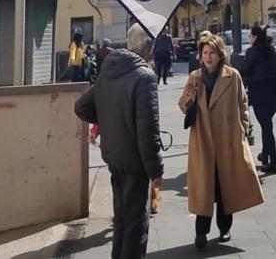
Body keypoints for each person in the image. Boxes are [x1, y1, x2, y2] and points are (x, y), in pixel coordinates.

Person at [74, 24, 163, 259]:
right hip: (135, 161)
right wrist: (156, 170)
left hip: (114, 156)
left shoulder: (108, 71)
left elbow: (81, 107)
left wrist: (109, 119)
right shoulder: (144, 77)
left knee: (122, 222)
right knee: (136, 226)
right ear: (147, 47)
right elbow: (148, 130)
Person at [179, 33, 263, 250]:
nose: (208, 57)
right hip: (204, 140)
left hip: (227, 139)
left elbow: (242, 103)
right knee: (205, 188)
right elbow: (182, 104)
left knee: (226, 185)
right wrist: (191, 98)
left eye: (212, 53)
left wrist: (244, 127)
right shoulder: (195, 77)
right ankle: (201, 233)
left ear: (219, 55)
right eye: (205, 53)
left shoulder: (232, 75)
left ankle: (224, 228)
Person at [243, 25, 276, 175]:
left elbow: (245, 71)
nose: (249, 38)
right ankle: (265, 156)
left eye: (250, 35)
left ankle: (274, 163)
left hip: (259, 96)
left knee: (267, 127)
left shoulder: (252, 52)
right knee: (266, 125)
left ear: (255, 37)